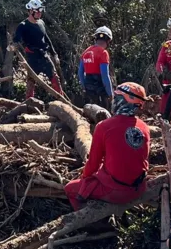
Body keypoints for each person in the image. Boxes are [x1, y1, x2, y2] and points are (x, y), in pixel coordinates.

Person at [65, 82, 151, 211]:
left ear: (121, 102)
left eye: (116, 98)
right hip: (139, 188)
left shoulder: (104, 126)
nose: (113, 100)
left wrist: (85, 179)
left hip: (116, 192)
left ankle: (92, 224)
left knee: (69, 188)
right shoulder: (144, 127)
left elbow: (93, 163)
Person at [12, 0, 62, 99]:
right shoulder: (23, 25)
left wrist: (54, 54)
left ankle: (61, 100)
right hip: (32, 56)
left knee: (55, 78)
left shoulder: (41, 23)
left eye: (41, 11)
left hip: (44, 55)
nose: (39, 13)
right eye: (37, 11)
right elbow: (16, 40)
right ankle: (29, 103)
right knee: (31, 81)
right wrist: (13, 45)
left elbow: (47, 39)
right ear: (30, 11)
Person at [78, 26, 114, 109]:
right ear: (108, 40)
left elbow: (80, 72)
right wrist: (110, 93)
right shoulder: (103, 53)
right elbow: (105, 75)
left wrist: (84, 87)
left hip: (88, 87)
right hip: (100, 90)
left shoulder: (86, 51)